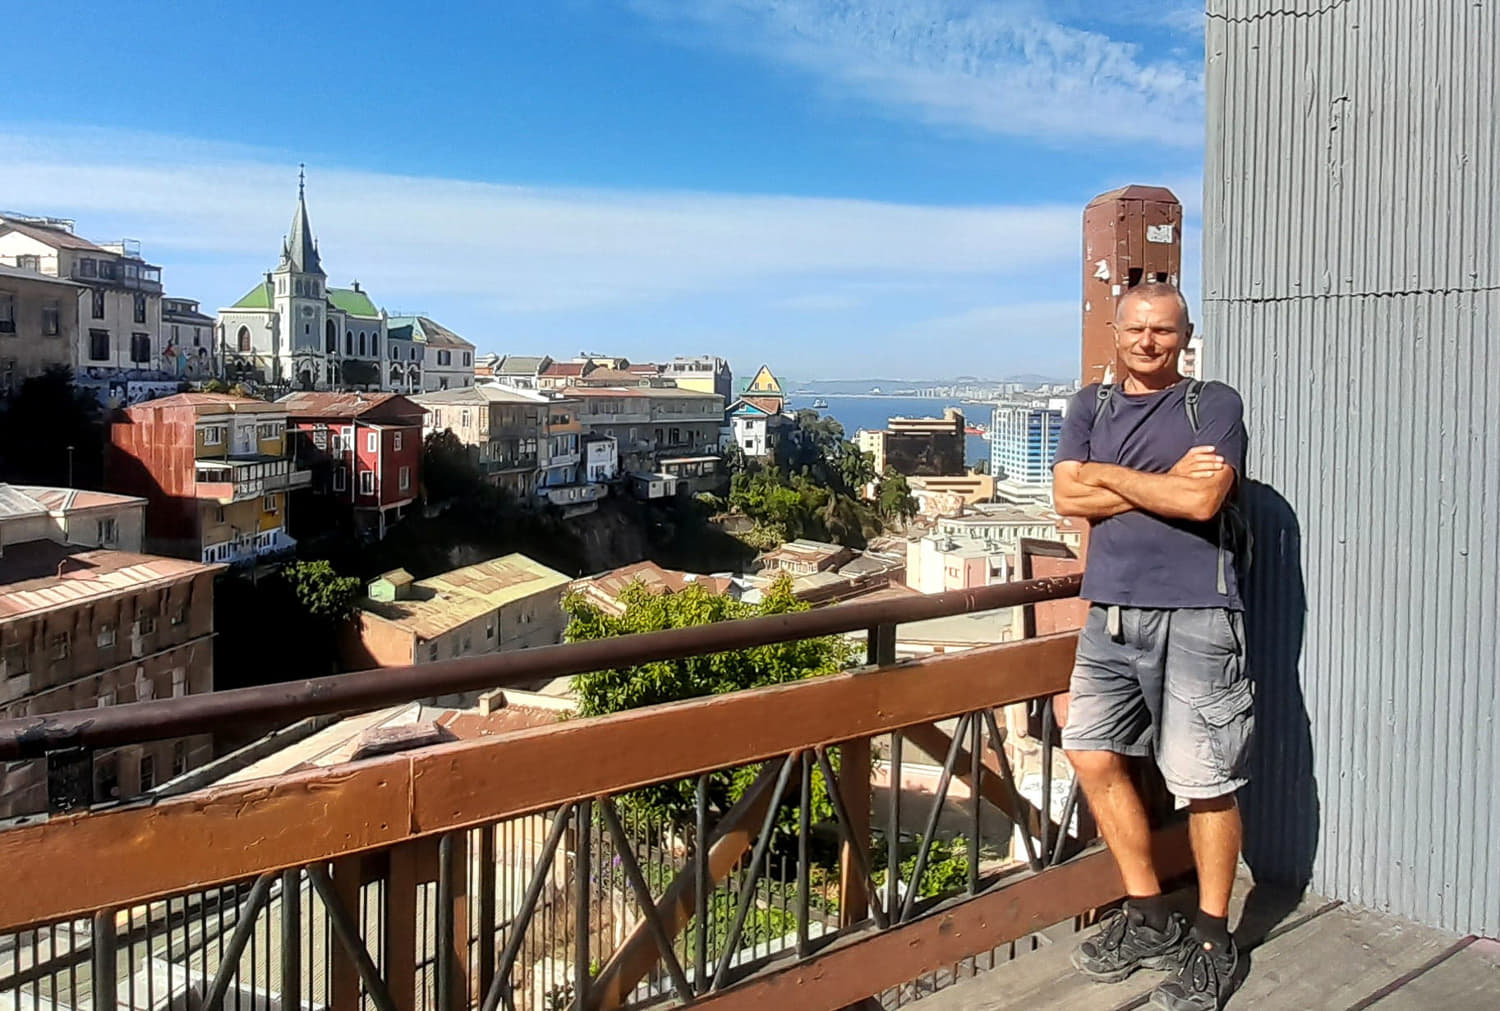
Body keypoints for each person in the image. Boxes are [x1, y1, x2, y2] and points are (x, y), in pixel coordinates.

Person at [1051, 282, 1251, 1011]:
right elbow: (1067, 496)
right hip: (1108, 615)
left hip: (1199, 613)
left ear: (1185, 334)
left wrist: (1104, 476)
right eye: (1135, 328)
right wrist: (1154, 482)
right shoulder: (1089, 407)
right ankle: (1150, 913)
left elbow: (1202, 502)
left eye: (1163, 331)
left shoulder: (1214, 404)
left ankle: (1211, 938)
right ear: (1115, 330)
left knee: (1203, 778)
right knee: (1091, 752)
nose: (1147, 341)